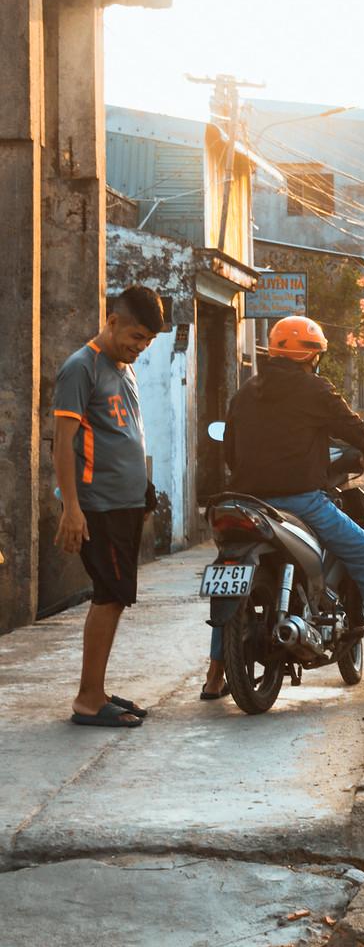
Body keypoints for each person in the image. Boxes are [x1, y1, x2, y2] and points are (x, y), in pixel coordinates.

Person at [200, 314, 364, 698]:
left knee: (229, 577)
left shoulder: (245, 393)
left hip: (244, 502)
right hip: (300, 502)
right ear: (311, 356)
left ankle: (214, 676)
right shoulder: (314, 390)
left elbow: (230, 453)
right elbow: (354, 429)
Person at [51, 285, 166, 729]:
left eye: (147, 343)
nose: (139, 348)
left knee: (114, 597)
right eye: (136, 337)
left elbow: (125, 435)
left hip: (126, 503)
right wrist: (72, 509)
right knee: (108, 595)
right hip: (98, 505)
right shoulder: (81, 368)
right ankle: (87, 698)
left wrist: (144, 488)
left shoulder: (122, 367)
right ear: (112, 321)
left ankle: (97, 690)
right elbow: (63, 444)